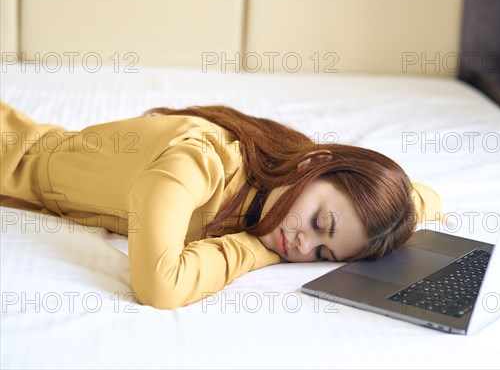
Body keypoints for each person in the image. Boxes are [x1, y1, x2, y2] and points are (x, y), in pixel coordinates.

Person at [0, 101, 442, 309]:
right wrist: (256, 250)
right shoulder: (198, 160)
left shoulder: (276, 192)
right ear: (313, 163)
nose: (301, 245)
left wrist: (402, 213)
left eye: (323, 255)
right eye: (317, 222)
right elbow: (160, 287)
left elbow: (423, 199)